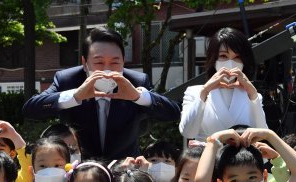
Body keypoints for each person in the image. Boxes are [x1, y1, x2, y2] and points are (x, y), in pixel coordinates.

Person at [22, 27, 181, 161]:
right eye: (98, 62)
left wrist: (139, 97)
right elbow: (30, 109)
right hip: (80, 171)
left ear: (123, 62)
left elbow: (173, 113)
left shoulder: (136, 82)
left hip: (124, 169)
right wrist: (75, 96)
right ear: (84, 63)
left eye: (115, 62)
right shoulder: (68, 80)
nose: (107, 70)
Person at [179, 27, 268, 141]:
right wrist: (205, 91)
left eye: (237, 57)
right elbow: (188, 132)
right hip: (208, 156)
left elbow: (262, 135)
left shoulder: (252, 95)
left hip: (243, 157)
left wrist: (253, 93)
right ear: (213, 58)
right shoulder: (195, 92)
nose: (230, 63)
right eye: (223, 56)